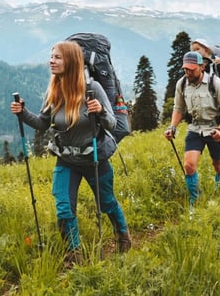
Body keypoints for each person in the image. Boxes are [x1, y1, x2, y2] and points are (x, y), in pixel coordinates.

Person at [10, 40, 131, 267]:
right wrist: (23, 112)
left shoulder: (93, 89)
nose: (51, 61)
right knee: (64, 207)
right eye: (52, 56)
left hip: (94, 158)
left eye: (57, 57)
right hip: (66, 160)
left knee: (106, 203)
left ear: (72, 62)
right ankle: (73, 256)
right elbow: (42, 124)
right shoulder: (54, 91)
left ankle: (123, 235)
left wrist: (101, 111)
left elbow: (112, 124)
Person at [163, 51, 220, 211]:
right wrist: (172, 127)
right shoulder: (181, 84)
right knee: (189, 165)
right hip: (195, 129)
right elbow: (179, 108)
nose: (187, 72)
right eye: (185, 69)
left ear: (202, 67)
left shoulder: (215, 83)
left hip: (214, 129)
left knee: (218, 165)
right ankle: (196, 201)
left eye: (191, 69)